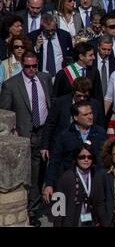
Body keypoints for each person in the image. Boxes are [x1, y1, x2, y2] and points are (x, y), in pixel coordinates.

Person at [0, 51, 53, 226]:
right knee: (30, 174)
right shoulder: (11, 85)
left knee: (41, 173)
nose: (31, 70)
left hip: (43, 133)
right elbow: (5, 112)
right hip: (24, 135)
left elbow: (49, 103)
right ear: (22, 66)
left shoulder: (45, 78)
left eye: (34, 66)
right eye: (28, 66)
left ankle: (34, 206)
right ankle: (31, 211)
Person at [43, 101, 106, 197]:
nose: (90, 117)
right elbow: (55, 161)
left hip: (94, 183)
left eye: (91, 113)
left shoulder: (100, 133)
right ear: (76, 117)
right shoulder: (65, 135)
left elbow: (105, 159)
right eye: (85, 114)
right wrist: (49, 184)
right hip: (71, 184)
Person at [41, 76, 105, 161]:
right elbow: (50, 125)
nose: (82, 99)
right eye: (79, 96)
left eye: (85, 96)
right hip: (63, 148)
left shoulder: (95, 105)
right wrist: (45, 146)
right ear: (73, 92)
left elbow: (101, 127)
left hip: (87, 151)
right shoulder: (60, 103)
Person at [52, 143, 98, 227]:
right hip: (71, 221)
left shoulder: (96, 176)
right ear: (76, 158)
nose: (86, 160)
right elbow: (57, 209)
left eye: (89, 157)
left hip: (90, 220)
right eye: (82, 157)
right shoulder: (66, 177)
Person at [28, 13, 73, 78]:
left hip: (61, 75)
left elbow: (70, 54)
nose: (51, 33)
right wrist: (36, 49)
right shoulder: (33, 37)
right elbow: (29, 58)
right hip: (41, 76)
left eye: (53, 30)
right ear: (42, 27)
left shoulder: (64, 35)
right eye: (47, 31)